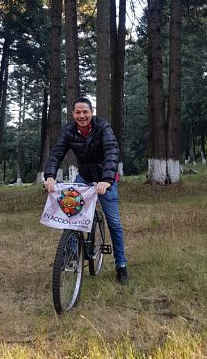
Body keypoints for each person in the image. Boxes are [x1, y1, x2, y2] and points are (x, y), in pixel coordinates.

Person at [44, 97, 129, 284]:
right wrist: (49, 176)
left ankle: (121, 265)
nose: (82, 116)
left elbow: (111, 151)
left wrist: (106, 181)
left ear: (92, 112)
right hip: (84, 176)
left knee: (114, 222)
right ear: (73, 114)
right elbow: (57, 152)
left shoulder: (103, 127)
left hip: (105, 179)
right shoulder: (69, 131)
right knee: (71, 215)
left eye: (85, 112)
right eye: (78, 112)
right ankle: (72, 254)